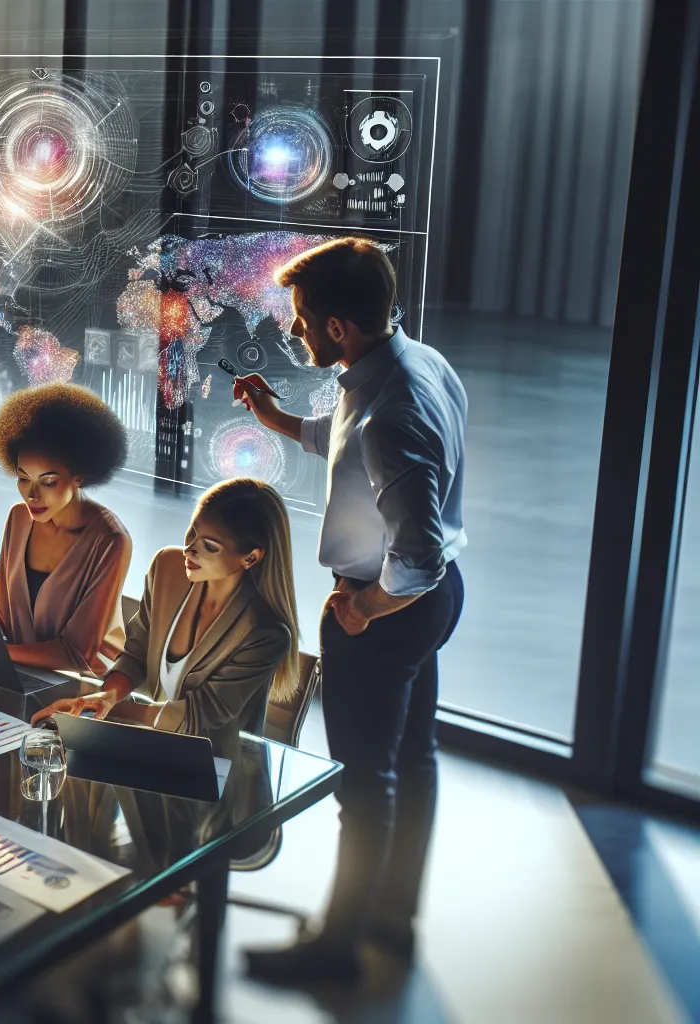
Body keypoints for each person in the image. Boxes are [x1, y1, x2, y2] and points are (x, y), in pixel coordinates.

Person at [232, 237, 467, 983]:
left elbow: (416, 557)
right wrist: (276, 420)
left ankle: (336, 949)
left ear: (338, 327)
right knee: (412, 761)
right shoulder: (414, 363)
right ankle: (390, 920)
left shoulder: (390, 415)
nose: (294, 329)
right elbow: (350, 442)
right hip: (433, 601)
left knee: (362, 785)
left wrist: (362, 608)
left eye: (302, 319)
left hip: (391, 602)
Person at [31, 477, 302, 757]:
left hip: (219, 767)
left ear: (250, 558)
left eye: (210, 546)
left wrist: (102, 709)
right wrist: (106, 696)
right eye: (192, 531)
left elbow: (198, 717)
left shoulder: (266, 634)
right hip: (155, 749)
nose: (189, 549)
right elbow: (136, 655)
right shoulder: (168, 567)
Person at [0, 382, 133, 678]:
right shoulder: (18, 518)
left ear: (79, 476)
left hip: (83, 685)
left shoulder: (111, 540)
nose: (32, 495)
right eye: (23, 479)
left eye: (48, 482)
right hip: (19, 670)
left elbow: (77, 654)